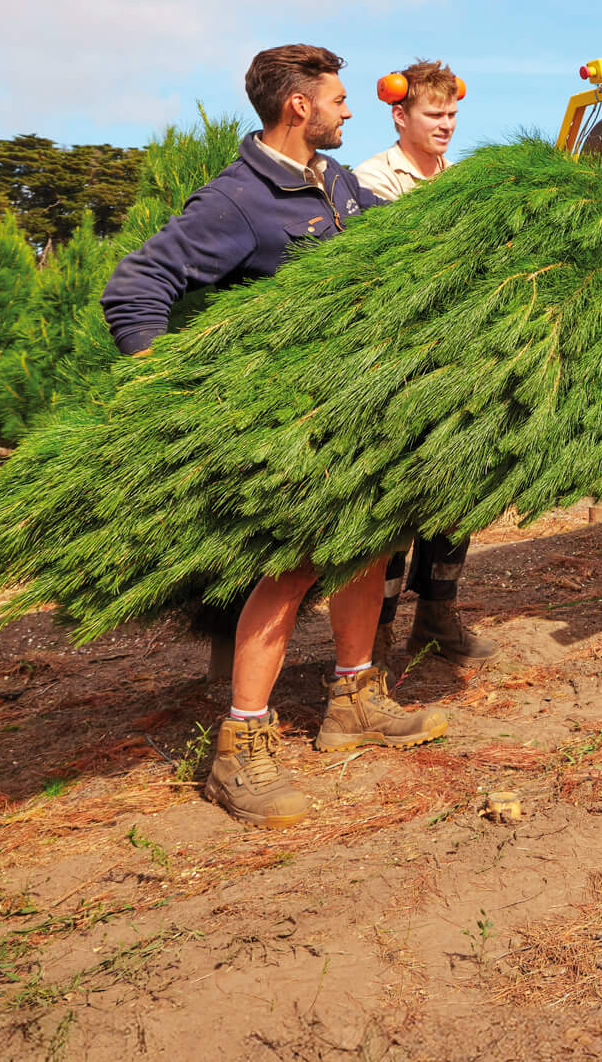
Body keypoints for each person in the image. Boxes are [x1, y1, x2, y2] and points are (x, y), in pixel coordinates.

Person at [102, 44, 448, 827]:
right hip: (289, 425)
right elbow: (135, 286)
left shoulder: (339, 184)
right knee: (291, 567)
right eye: (337, 98)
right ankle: (239, 749)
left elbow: (402, 239)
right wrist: (174, 389)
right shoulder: (236, 201)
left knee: (371, 539)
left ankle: (354, 700)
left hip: (353, 411)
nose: (348, 110)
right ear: (299, 106)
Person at [352, 59, 498, 666]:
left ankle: (436, 618)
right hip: (403, 364)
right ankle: (377, 632)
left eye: (453, 114)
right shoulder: (372, 181)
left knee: (458, 495)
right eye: (434, 115)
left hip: (463, 361)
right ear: (399, 115)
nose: (447, 125)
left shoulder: (461, 178)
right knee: (397, 506)